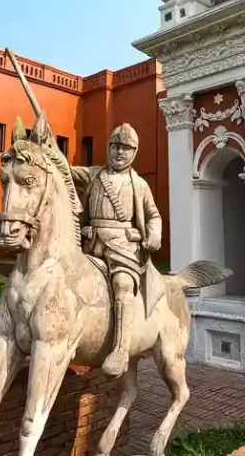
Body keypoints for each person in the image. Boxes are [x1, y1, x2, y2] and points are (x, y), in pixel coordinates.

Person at [71, 123, 162, 378]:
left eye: (125, 148)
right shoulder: (93, 175)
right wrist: (48, 149)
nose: (119, 152)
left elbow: (153, 215)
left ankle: (120, 350)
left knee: (123, 285)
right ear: (109, 147)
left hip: (123, 247)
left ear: (134, 152)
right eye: (115, 146)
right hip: (90, 243)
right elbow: (65, 171)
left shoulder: (139, 185)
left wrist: (155, 234)